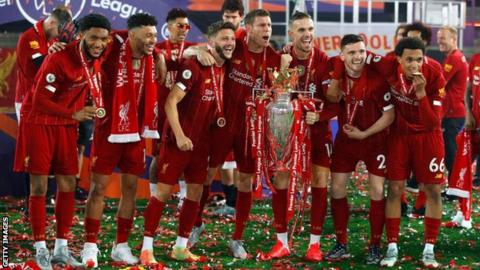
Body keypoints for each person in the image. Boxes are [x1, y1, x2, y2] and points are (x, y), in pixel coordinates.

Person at [185, 9, 281, 259]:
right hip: (221, 123)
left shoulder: (275, 58)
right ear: (248, 28)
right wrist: (195, 51)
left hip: (251, 129)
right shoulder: (233, 46)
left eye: (269, 25)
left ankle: (237, 238)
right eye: (262, 25)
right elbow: (193, 52)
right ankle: (196, 224)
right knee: (206, 175)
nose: (267, 30)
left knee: (245, 180)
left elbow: (277, 94)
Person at [139, 20, 236, 264]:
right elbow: (170, 102)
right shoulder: (193, 65)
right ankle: (146, 248)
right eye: (224, 39)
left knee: (195, 192)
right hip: (178, 141)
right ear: (210, 42)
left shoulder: (225, 68)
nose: (229, 43)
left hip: (201, 145)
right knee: (161, 193)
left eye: (232, 39)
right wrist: (180, 136)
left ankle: (180, 247)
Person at [23, 13, 111, 269]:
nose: (99, 43)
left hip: (65, 125)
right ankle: (41, 248)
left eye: (103, 39)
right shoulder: (59, 59)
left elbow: (127, 37)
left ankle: (61, 248)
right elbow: (39, 100)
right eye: (93, 37)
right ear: (81, 36)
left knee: (68, 185)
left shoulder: (99, 53)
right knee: (39, 187)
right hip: (39, 122)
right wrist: (73, 113)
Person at [352, 37, 446, 268]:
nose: (415, 65)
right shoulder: (386, 64)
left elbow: (433, 122)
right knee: (394, 189)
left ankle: (429, 248)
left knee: (433, 190)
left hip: (428, 136)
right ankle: (392, 245)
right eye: (409, 60)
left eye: (419, 59)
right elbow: (357, 54)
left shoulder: (434, 73)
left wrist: (422, 93)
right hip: (399, 136)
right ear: (398, 59)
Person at [80, 13, 159, 267]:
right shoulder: (113, 48)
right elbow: (88, 46)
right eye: (147, 35)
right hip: (108, 131)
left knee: (130, 191)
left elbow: (179, 53)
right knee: (98, 189)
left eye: (155, 35)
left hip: (135, 135)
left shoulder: (153, 57)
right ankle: (90, 246)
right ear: (132, 35)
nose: (153, 40)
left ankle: (120, 246)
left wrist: (194, 52)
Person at [259, 12, 333, 262]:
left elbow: (335, 102)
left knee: (320, 179)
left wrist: (319, 117)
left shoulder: (324, 61)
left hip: (317, 131)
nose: (307, 34)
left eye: (310, 29)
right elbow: (272, 95)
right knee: (281, 177)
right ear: (291, 34)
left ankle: (314, 245)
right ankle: (281, 242)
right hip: (287, 132)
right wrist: (282, 68)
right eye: (301, 30)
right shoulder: (281, 58)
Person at [325, 34, 394, 265]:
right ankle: (341, 242)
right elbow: (331, 97)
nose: (358, 57)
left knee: (376, 190)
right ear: (342, 55)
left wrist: (364, 134)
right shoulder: (337, 74)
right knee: (336, 188)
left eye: (362, 51)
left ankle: (375, 245)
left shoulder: (377, 79)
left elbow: (389, 115)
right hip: (346, 141)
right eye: (352, 52)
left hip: (375, 140)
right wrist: (336, 75)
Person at [151, 8, 197, 206]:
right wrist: (158, 55)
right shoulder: (157, 48)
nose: (184, 29)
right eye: (180, 25)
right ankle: (154, 194)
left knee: (185, 153)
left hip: (185, 113)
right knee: (157, 155)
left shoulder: (194, 49)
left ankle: (183, 197)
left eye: (187, 26)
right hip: (160, 111)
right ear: (168, 27)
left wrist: (197, 51)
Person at [437, 26, 468, 185]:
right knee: (449, 152)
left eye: (443, 38)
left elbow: (440, 83)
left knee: (450, 153)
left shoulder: (454, 58)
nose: (439, 41)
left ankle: (455, 187)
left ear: (453, 40)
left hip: (452, 113)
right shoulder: (455, 56)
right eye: (438, 37)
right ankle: (454, 186)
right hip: (454, 111)